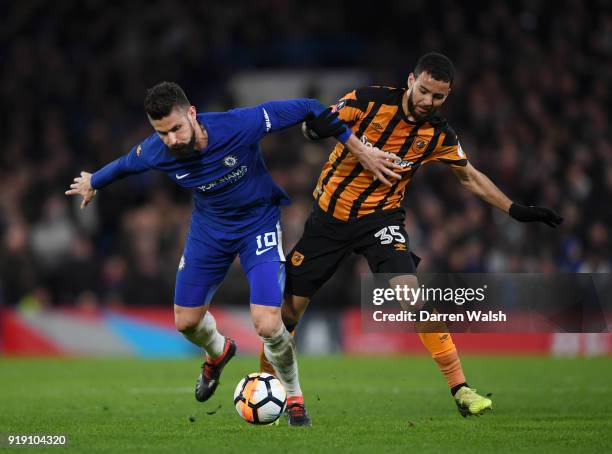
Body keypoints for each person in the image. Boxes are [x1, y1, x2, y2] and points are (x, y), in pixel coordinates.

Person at [65, 81, 401, 426]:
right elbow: (124, 164)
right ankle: (219, 352)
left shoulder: (239, 124)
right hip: (209, 233)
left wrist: (359, 149)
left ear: (192, 114)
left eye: (176, 129)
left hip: (258, 223)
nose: (172, 140)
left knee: (268, 324)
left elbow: (310, 107)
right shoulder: (158, 150)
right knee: (186, 322)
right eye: (162, 133)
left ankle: (295, 397)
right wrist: (94, 181)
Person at [259, 52, 563, 417]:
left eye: (438, 97)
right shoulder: (367, 101)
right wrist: (315, 129)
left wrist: (516, 209)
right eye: (424, 91)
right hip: (328, 221)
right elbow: (316, 124)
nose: (428, 102)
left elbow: (469, 176)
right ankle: (266, 389)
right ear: (410, 80)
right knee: (287, 314)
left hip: (381, 222)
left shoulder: (438, 133)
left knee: (411, 297)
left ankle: (461, 389)